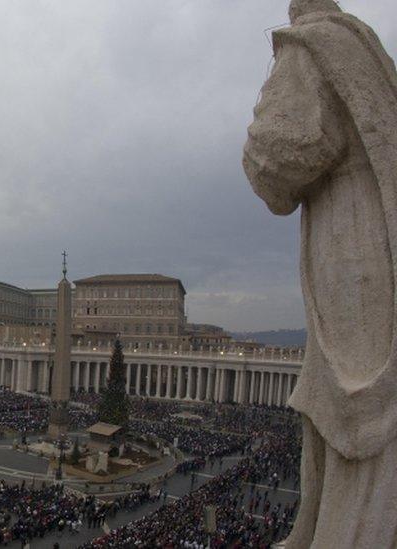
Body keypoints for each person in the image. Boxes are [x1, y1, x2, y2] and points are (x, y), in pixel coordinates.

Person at [244, 1, 397, 547]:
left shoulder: (313, 45)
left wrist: (257, 124)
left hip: (354, 250)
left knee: (354, 414)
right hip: (375, 247)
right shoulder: (373, 54)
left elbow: (278, 160)